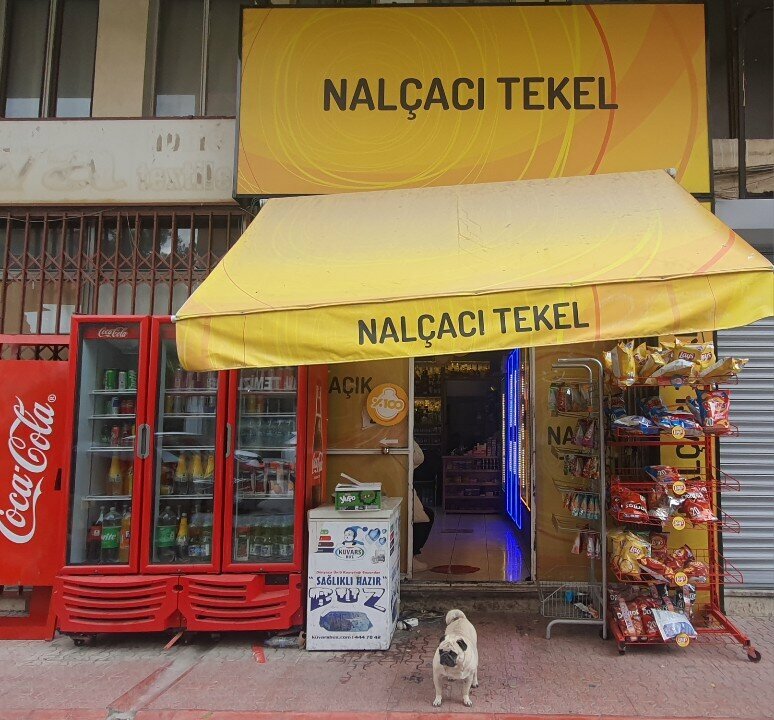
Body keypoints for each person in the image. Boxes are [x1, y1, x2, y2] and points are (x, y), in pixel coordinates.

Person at [412, 440, 435, 572]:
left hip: (402, 485)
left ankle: (412, 554)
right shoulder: (401, 437)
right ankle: (411, 556)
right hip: (399, 486)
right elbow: (418, 458)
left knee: (426, 515)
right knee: (423, 518)